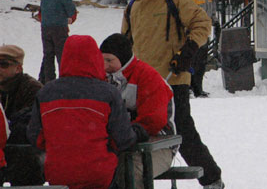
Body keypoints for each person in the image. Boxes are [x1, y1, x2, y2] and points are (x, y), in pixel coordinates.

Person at [121, 0, 224, 189]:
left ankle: (211, 179)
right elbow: (125, 45)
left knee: (182, 129)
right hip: (143, 84)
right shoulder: (132, 7)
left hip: (172, 80)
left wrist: (187, 51)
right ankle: (143, 177)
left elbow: (202, 23)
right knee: (143, 133)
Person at [27, 35, 144, 189]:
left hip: (59, 174)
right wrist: (137, 132)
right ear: (95, 58)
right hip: (99, 174)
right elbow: (123, 139)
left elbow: (35, 136)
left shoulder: (46, 92)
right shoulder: (107, 93)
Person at [100, 33, 176, 189]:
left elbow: (154, 120)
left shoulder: (147, 77)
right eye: (101, 60)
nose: (105, 66)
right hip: (118, 145)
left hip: (158, 144)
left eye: (109, 61)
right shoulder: (102, 78)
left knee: (131, 172)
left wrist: (125, 134)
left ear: (123, 59)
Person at [0, 45, 44, 185]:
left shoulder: (32, 88)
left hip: (23, 153)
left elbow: (29, 126)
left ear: (18, 68)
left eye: (3, 64)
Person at [37, 0, 77, 83]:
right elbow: (71, 12)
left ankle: (48, 80)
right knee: (62, 55)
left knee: (48, 55)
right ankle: (64, 80)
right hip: (59, 29)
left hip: (45, 28)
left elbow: (40, 12)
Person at [189, 0, 219, 98]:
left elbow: (212, 12)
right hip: (195, 35)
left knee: (201, 63)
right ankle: (190, 87)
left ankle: (199, 88)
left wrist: (215, 22)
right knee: (192, 62)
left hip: (205, 34)